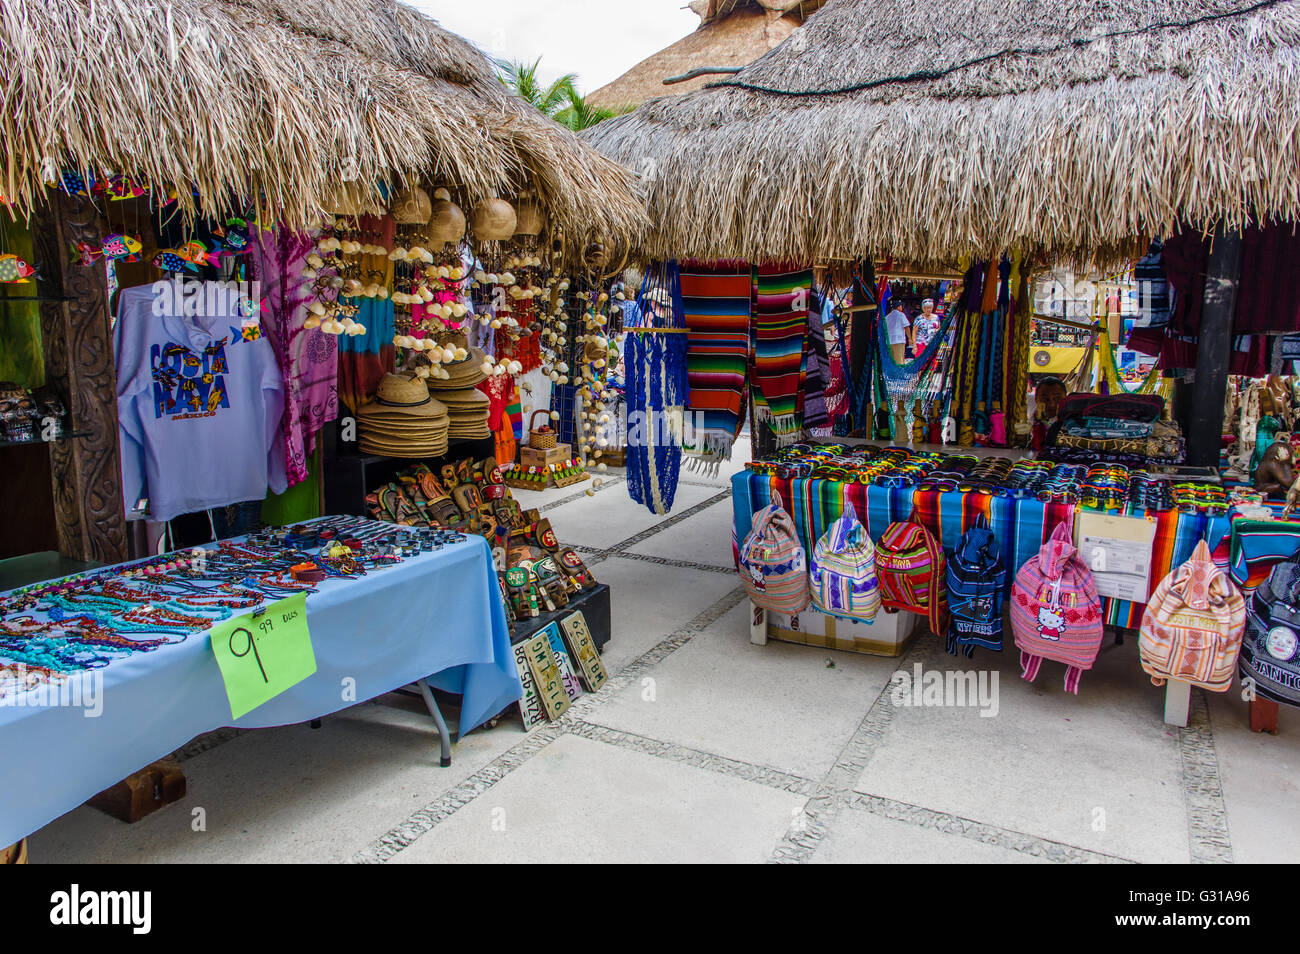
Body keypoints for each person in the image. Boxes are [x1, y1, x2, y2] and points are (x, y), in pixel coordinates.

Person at [1031, 376, 1067, 451]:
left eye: (1057, 398)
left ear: (1065, 399)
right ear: (1036, 398)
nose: (1051, 404)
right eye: (1045, 398)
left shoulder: (1070, 425)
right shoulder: (1026, 417)